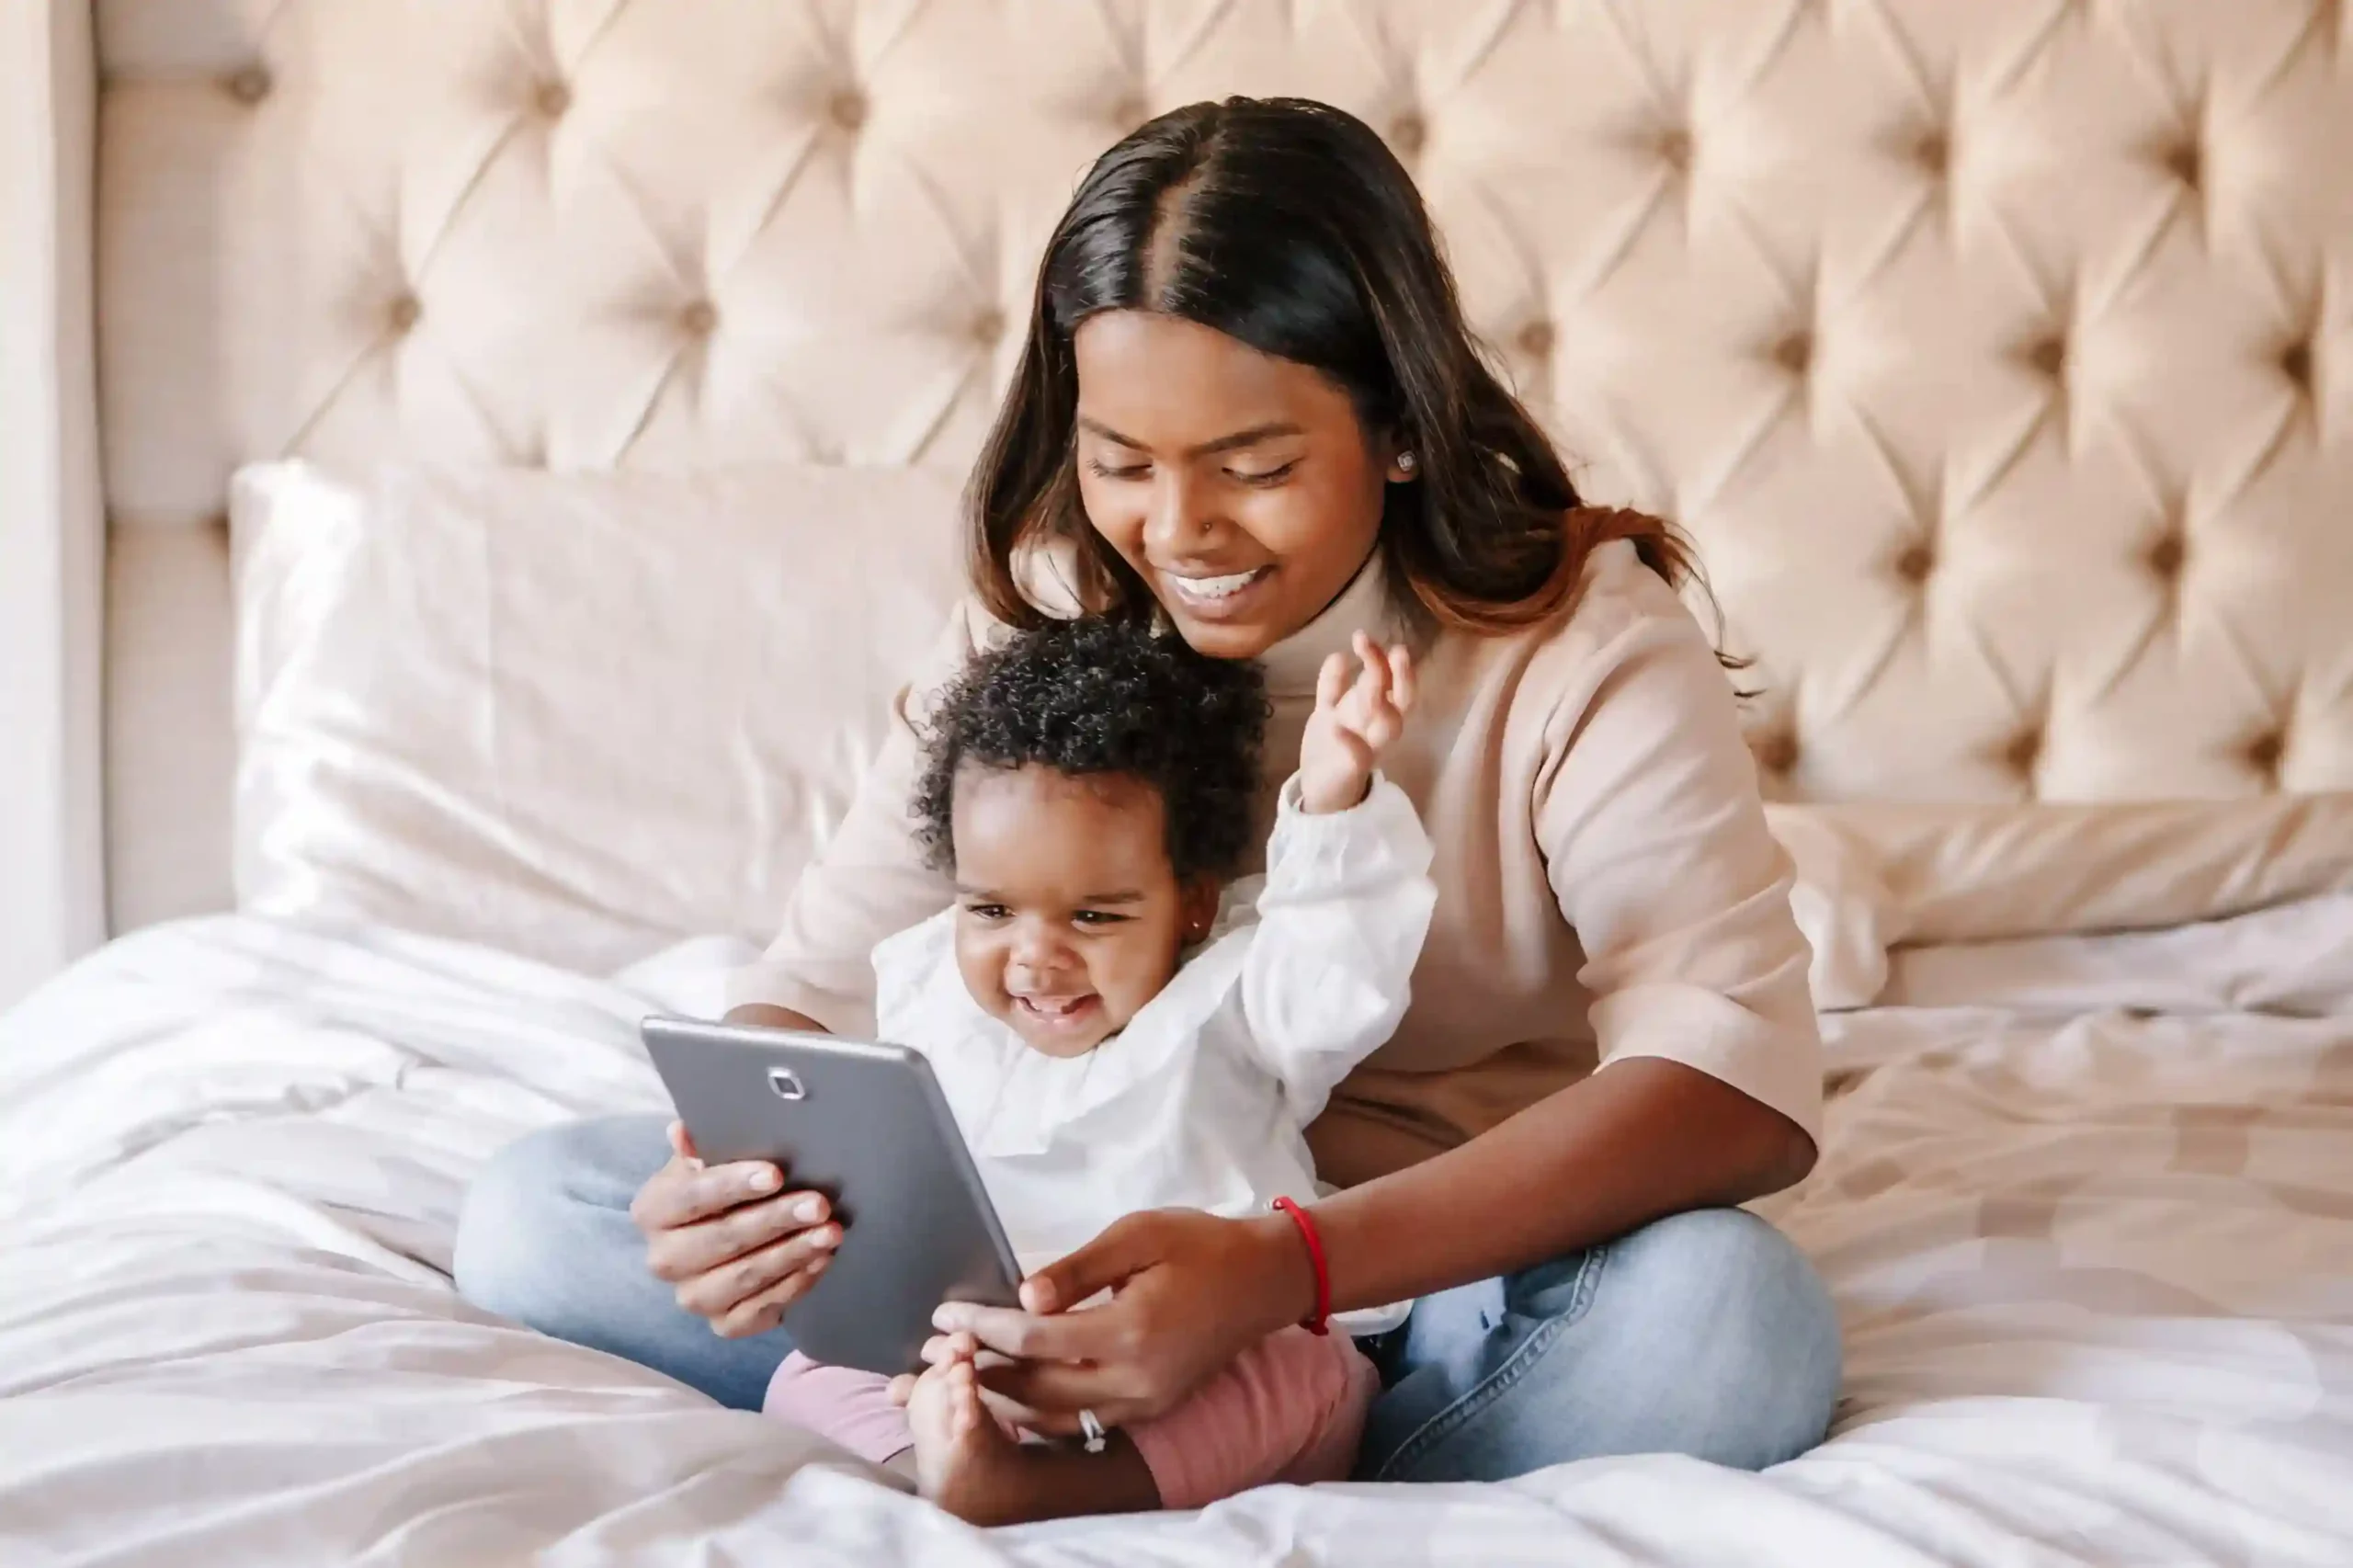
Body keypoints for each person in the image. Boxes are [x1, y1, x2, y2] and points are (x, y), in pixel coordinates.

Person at [455, 94, 1842, 1486]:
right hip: (1062, 1233)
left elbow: (1735, 1085)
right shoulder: (1053, 614)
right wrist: (731, 1185)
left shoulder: (1581, 643)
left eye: (1258, 468)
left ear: (1403, 428)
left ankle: (1259, 1428)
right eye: (1121, 464)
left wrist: (1279, 1272)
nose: (1179, 533)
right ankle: (1110, 1435)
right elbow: (819, 993)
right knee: (537, 1213)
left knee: (1734, 1321)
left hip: (1433, 1276)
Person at [763, 614, 1432, 1524]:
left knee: (1307, 1373)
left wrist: (1332, 799)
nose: (1035, 959)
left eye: (1093, 918)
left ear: (1191, 904)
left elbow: (1338, 976)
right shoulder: (926, 986)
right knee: (808, 1372)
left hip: (1206, 1351)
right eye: (992, 907)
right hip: (993, 1347)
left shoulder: (1236, 992)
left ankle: (1035, 1490)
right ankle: (940, 1452)